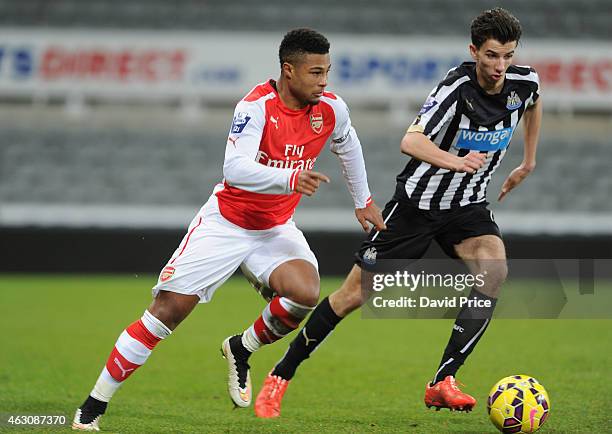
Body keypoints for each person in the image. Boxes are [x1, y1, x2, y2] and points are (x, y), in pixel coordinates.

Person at [72, 28, 385, 431]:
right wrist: (291, 178)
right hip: (226, 224)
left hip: (273, 227)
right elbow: (235, 169)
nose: (324, 81)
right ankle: (93, 406)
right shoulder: (255, 107)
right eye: (315, 72)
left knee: (305, 293)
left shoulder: (331, 108)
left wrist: (362, 201)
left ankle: (242, 347)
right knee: (166, 313)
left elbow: (349, 144)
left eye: (327, 72)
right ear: (288, 71)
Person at [254, 7, 542, 418]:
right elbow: (411, 141)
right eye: (491, 55)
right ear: (474, 51)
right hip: (416, 206)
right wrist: (454, 161)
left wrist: (528, 160)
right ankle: (280, 375)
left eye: (507, 56)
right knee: (353, 295)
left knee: (494, 270)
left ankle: (443, 381)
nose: (499, 66)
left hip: (468, 206)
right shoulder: (455, 89)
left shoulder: (524, 80)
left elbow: (533, 103)